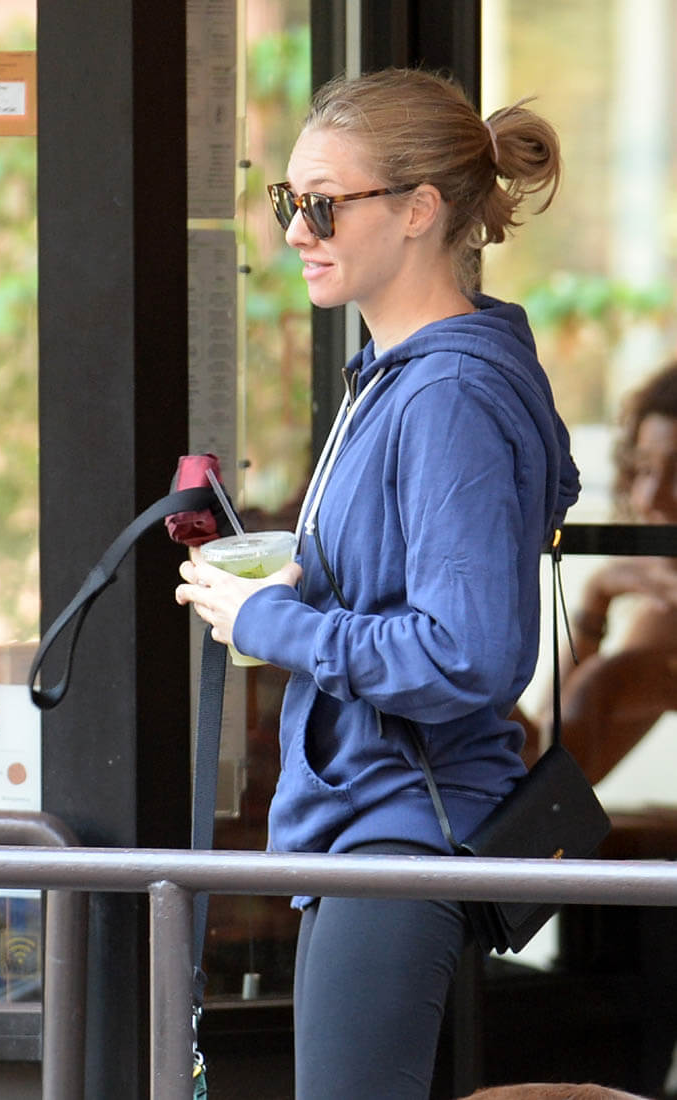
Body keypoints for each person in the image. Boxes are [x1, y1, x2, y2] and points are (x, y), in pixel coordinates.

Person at [176, 67, 579, 1099]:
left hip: (402, 824)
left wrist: (274, 621)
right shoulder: (405, 376)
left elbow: (468, 652)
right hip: (375, 820)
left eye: (323, 204)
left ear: (418, 210)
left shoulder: (448, 392)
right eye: (289, 200)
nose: (295, 231)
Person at [522, 361, 677, 784]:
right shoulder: (662, 606)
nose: (649, 498)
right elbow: (552, 750)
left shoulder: (665, 615)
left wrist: (602, 680)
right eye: (644, 469)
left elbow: (553, 773)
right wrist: (597, 597)